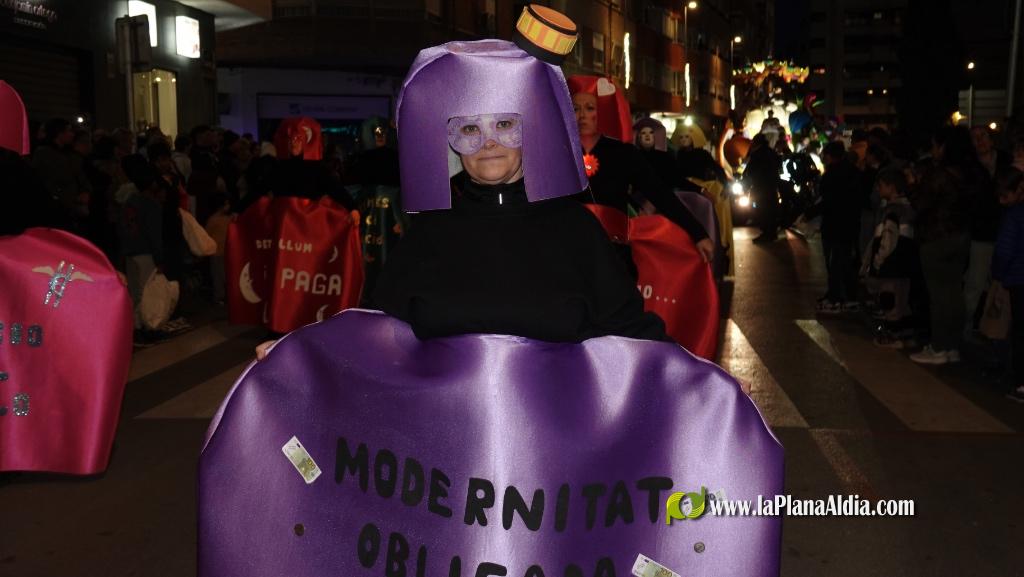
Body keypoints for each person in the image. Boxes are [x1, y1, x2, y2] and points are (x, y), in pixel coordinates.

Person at [372, 32, 669, 344]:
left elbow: (634, 335)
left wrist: (699, 384)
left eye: (503, 125)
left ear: (531, 130)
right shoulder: (429, 232)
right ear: (452, 142)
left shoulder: (575, 229)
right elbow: (376, 335)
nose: (488, 142)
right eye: (471, 128)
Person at [568, 75, 714, 263]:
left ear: (603, 110)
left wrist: (697, 233)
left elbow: (660, 193)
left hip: (613, 253)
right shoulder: (559, 151)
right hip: (569, 251)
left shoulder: (623, 153)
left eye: (590, 108)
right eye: (575, 108)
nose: (582, 116)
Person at [908, 126, 974, 364]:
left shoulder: (939, 174)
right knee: (954, 293)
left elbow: (920, 203)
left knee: (938, 295)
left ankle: (939, 347)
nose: (933, 151)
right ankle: (952, 347)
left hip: (937, 237)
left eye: (936, 145)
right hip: (961, 236)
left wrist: (913, 184)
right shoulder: (969, 171)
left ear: (944, 147)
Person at [814, 140, 864, 312]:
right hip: (850, 223)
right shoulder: (854, 172)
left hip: (834, 224)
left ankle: (837, 296)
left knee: (835, 261)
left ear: (829, 156)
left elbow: (827, 200)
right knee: (844, 261)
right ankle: (845, 295)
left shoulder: (831, 175)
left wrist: (809, 213)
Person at [992, 168, 1024, 401]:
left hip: (1019, 278)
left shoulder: (1014, 215)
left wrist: (999, 274)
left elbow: (1005, 250)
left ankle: (1021, 384)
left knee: (1020, 331)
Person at [744, 133, 781, 243]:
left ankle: (767, 233)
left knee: (763, 210)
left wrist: (747, 183)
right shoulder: (770, 151)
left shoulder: (757, 154)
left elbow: (750, 170)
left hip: (761, 187)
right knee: (771, 209)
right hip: (771, 186)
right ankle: (772, 232)